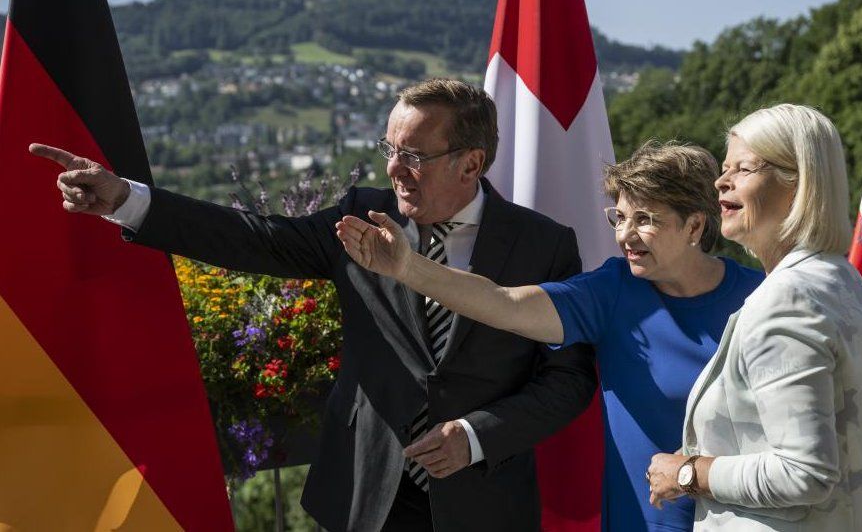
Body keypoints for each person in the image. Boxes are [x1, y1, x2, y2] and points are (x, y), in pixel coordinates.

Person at [31, 78, 597, 532]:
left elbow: (568, 380)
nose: (394, 170)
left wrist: (477, 435)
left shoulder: (543, 245)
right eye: (389, 150)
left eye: (414, 156)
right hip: (364, 494)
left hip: (484, 501)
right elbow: (257, 237)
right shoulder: (360, 215)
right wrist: (126, 200)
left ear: (471, 164)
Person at [335, 141, 765, 531]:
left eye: (645, 220)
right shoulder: (613, 290)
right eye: (619, 216)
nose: (624, 235)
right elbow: (505, 302)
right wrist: (408, 268)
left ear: (694, 227)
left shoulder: (761, 297)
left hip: (751, 520)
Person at [643, 104, 862, 530]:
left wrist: (689, 472)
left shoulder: (788, 298)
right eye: (724, 167)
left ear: (798, 185)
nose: (721, 180)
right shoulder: (841, 279)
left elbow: (805, 473)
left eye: (743, 168)